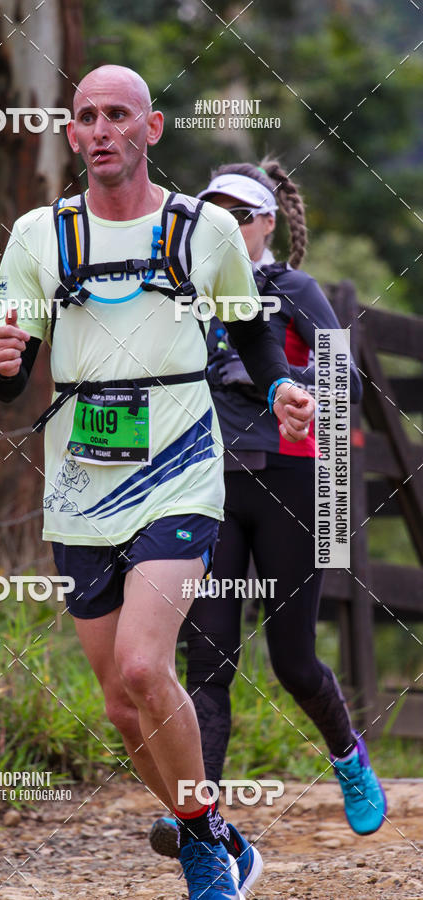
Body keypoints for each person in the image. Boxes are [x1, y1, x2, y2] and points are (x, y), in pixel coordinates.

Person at [0, 67, 315, 900]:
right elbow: (7, 377)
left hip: (180, 470)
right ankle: (219, 832)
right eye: (86, 116)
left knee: (142, 665)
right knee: (121, 706)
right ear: (72, 133)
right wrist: (6, 361)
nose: (101, 129)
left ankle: (200, 855)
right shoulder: (38, 236)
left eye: (117, 115)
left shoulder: (206, 231)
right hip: (80, 484)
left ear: (151, 128)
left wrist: (280, 387)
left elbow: (252, 333)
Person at [149, 160, 386, 865]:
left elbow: (347, 382)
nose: (223, 226)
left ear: (265, 224)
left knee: (294, 661)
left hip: (291, 481)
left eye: (237, 215)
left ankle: (347, 755)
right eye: (212, 213)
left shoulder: (294, 289)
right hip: (206, 486)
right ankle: (202, 825)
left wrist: (273, 380)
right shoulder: (186, 292)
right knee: (207, 659)